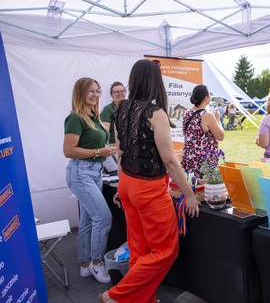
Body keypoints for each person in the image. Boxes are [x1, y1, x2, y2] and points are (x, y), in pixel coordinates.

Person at [100, 59, 201, 303]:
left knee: (139, 250)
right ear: (156, 81)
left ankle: (142, 299)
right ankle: (115, 295)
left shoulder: (121, 110)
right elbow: (169, 161)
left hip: (128, 185)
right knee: (166, 250)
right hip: (149, 190)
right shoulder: (155, 113)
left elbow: (120, 153)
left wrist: (121, 185)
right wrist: (189, 194)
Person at [63, 77, 115, 284]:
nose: (95, 94)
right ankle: (96, 263)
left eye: (97, 90)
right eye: (90, 91)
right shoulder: (75, 118)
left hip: (95, 172)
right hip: (80, 173)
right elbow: (68, 151)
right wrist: (98, 151)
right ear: (80, 93)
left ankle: (85, 266)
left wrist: (105, 152)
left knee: (86, 221)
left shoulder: (93, 118)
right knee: (103, 218)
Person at [180, 85, 224, 178]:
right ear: (205, 98)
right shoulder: (207, 115)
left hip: (189, 160)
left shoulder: (187, 113)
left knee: (192, 188)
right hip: (203, 163)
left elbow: (185, 133)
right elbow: (220, 136)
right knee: (204, 190)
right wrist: (218, 120)